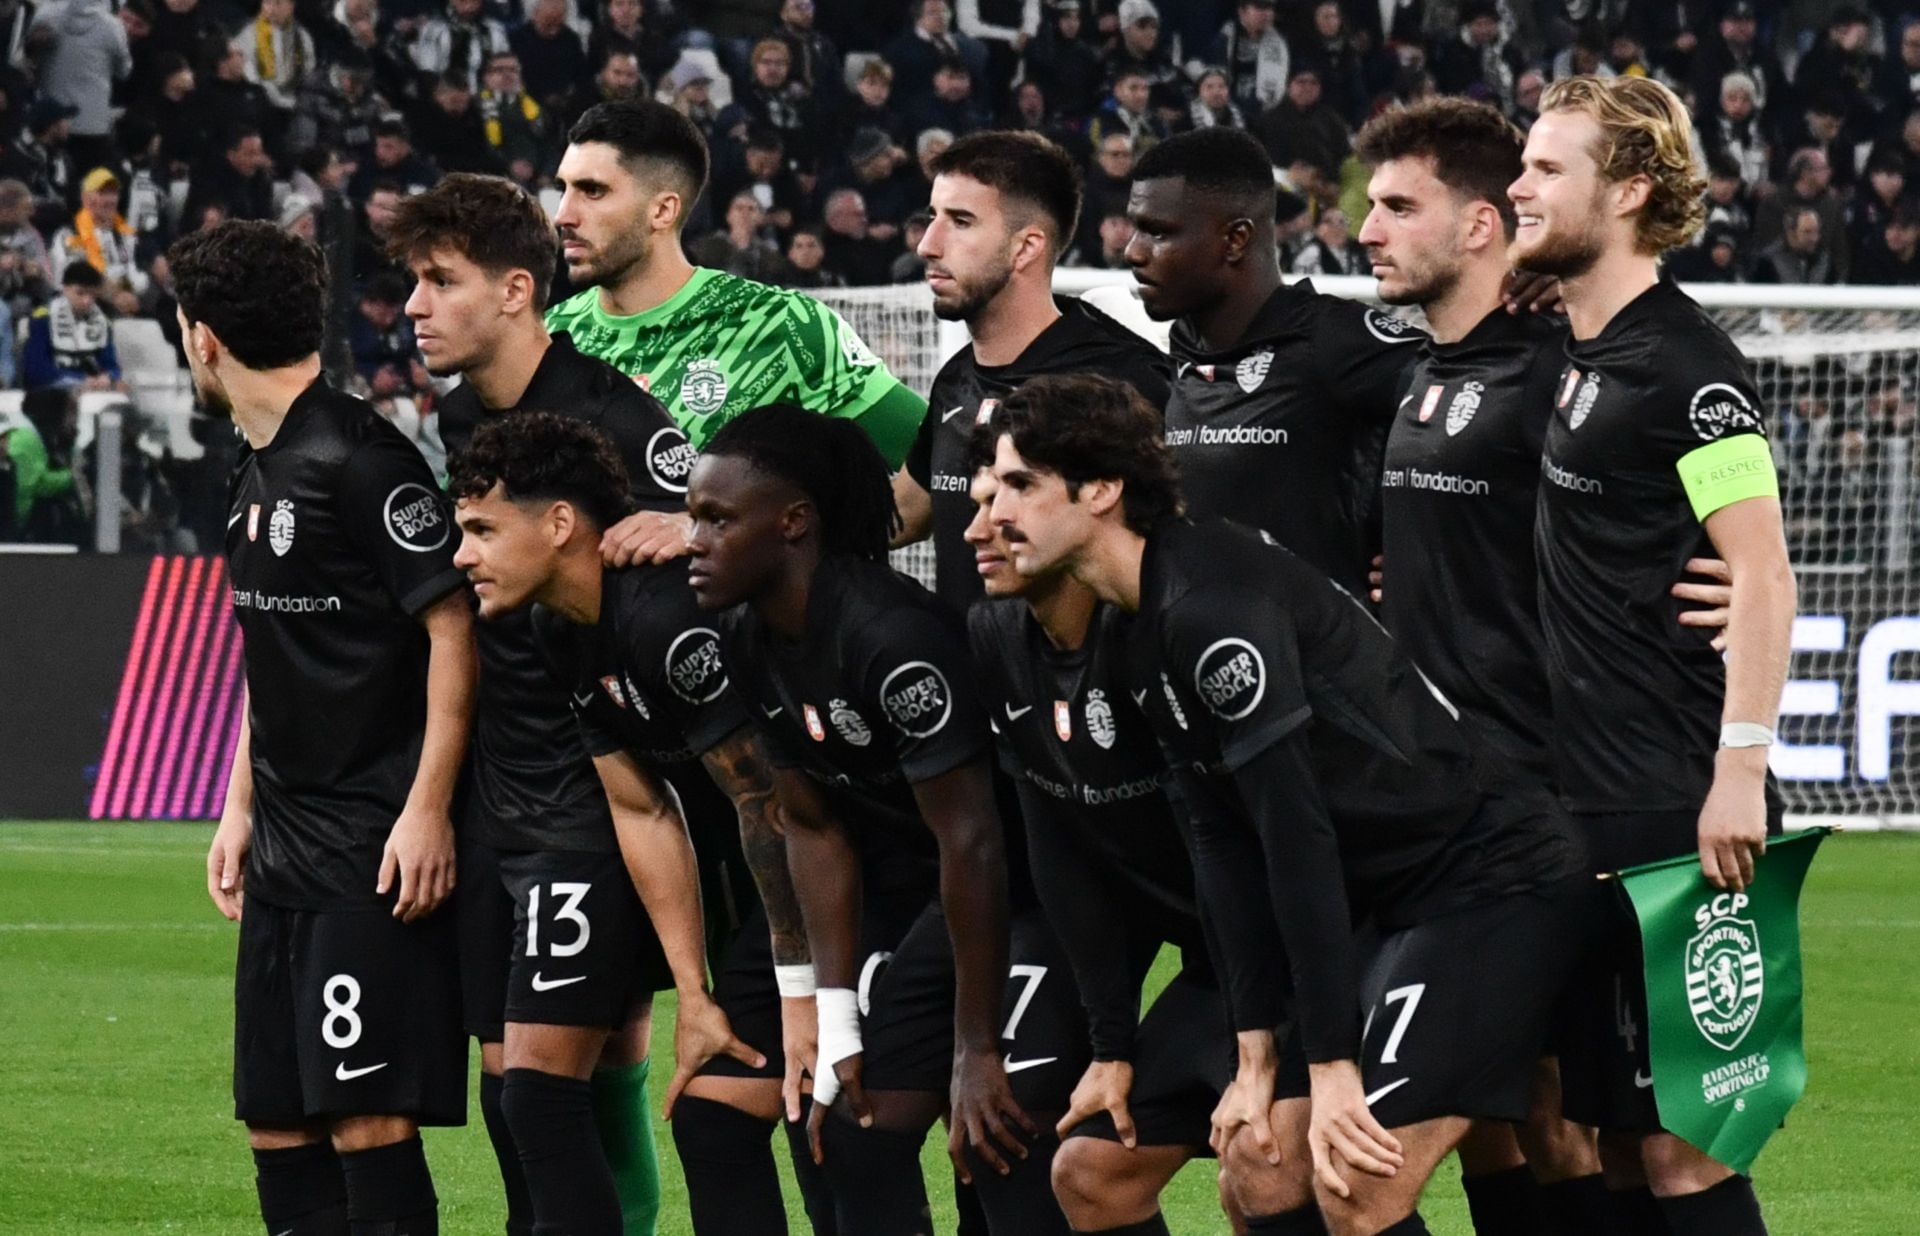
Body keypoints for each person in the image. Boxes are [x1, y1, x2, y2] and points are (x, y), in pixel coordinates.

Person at [979, 373, 1589, 1236]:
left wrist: (1331, 1064)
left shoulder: (1211, 605)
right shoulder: (1139, 617)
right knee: (1185, 1171)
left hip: (1489, 883)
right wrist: (1257, 1049)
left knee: (1357, 1183)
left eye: (1018, 485)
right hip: (1386, 909)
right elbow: (1221, 842)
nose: (992, 513)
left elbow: (1294, 835)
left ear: (1103, 491)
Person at [386, 171, 727, 1236]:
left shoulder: (615, 419)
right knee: (517, 1093)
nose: (414, 306)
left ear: (517, 291)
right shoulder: (457, 416)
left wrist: (695, 528)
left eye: (441, 281)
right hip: (503, 788)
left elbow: (718, 543)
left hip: (599, 789)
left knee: (550, 1089)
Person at [1508, 74, 1796, 1235]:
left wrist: (1738, 769)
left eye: (1545, 168)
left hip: (1671, 804)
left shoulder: (1688, 371)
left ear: (1627, 190)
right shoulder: (1581, 344)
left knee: (1687, 1149)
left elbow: (1765, 573)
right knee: (1618, 1148)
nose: (1520, 186)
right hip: (1584, 798)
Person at [690, 404, 1086, 1234]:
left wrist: (973, 1049)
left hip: (1035, 894)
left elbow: (975, 842)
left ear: (793, 523)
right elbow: (811, 825)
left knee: (1001, 1138)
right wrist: (835, 1017)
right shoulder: (746, 635)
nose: (693, 539)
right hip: (930, 901)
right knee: (850, 1132)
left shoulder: (891, 638)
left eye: (716, 519)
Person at [446, 409, 835, 1235]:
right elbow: (641, 807)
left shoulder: (663, 619)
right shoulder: (559, 629)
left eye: (481, 529)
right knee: (713, 1118)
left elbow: (772, 805)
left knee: (825, 1117)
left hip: (848, 877)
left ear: (558, 525)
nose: (462, 556)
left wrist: (804, 992)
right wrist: (692, 993)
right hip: (765, 900)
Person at [1355, 95, 1631, 1236]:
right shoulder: (1424, 373)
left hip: (1537, 812)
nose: (1367, 229)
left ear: (1479, 228)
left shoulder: (1556, 377)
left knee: (1598, 1134)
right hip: (1441, 806)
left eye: (1397, 206)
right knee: (1536, 1121)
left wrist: (1719, 584)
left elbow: (1662, 529)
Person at [179, 219, 475, 1236]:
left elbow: (452, 625)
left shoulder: (359, 459)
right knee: (277, 1122)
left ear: (202, 338)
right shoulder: (255, 467)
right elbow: (274, 655)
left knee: (365, 1116)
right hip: (284, 850)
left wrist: (428, 809)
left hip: (370, 846)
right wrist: (237, 806)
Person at [959, 438, 1230, 1235]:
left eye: (1009, 495)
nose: (980, 527)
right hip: (1218, 968)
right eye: (977, 501)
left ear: (1095, 501)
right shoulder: (998, 639)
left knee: (1267, 1169)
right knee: (1089, 1171)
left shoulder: (1173, 631)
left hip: (1306, 954)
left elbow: (1257, 853)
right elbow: (1063, 854)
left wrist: (1260, 1050)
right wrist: (1110, 1047)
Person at [545, 99, 927, 564]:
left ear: (663, 210)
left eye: (592, 191)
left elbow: (942, 462)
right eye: (563, 189)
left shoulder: (781, 326)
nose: (563, 214)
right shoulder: (550, 339)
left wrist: (740, 536)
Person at [1124, 126, 1422, 596]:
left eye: (1158, 232)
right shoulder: (1177, 349)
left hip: (1316, 662)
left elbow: (1476, 402)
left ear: (1236, 239)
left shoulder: (1332, 341)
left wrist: (1427, 544)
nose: (1133, 251)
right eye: (1136, 228)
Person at [894, 129, 1169, 613]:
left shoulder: (1122, 386)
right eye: (932, 217)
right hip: (973, 683)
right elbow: (903, 512)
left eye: (960, 221)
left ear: (1026, 248)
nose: (929, 245)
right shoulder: (957, 379)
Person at [22, 261, 124, 391]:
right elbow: (36, 370)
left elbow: (112, 365)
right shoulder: (43, 318)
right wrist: (79, 380)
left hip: (92, 392)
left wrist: (108, 377)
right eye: (80, 293)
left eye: (91, 294)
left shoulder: (102, 321)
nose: (86, 301)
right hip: (52, 393)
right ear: (65, 289)